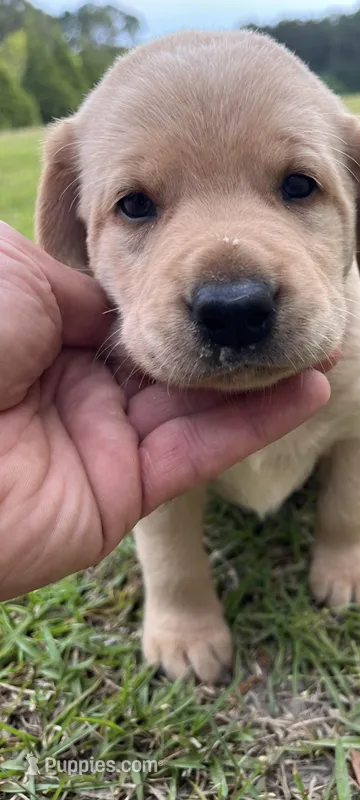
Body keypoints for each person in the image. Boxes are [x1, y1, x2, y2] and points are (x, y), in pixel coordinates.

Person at [0, 223, 331, 600]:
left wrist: (349, 539)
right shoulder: (113, 400)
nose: (233, 300)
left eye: (298, 192)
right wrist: (179, 604)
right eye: (136, 205)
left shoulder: (355, 349)